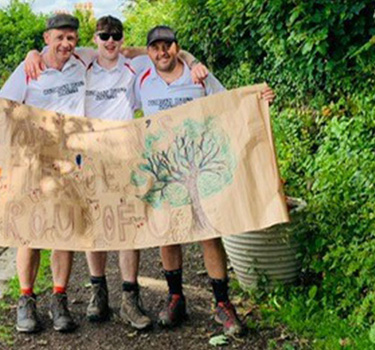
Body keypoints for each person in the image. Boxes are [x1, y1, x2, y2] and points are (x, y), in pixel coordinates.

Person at [23, 18, 211, 331]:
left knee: (128, 223)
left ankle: (129, 297)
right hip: (87, 154)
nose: (110, 41)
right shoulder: (82, 61)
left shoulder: (134, 66)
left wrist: (193, 60)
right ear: (95, 39)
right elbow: (53, 51)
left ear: (123, 40)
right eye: (104, 36)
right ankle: (99, 293)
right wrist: (32, 53)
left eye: (116, 36)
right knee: (93, 224)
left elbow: (168, 53)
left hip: (125, 153)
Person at [134, 25, 275, 336]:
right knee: (167, 233)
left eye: (168, 46)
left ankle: (222, 304)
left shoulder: (198, 75)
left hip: (199, 165)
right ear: (149, 53)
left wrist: (259, 100)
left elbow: (230, 104)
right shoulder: (141, 81)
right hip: (164, 169)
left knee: (208, 230)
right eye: (156, 47)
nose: (162, 52)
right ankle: (175, 298)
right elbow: (117, 111)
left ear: (177, 47)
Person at [0, 13, 95, 333]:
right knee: (29, 232)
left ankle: (59, 299)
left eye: (71, 38)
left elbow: (123, 52)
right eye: (60, 37)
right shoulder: (29, 68)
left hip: (72, 160)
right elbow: (3, 104)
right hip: (34, 161)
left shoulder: (83, 61)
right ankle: (26, 300)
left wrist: (186, 57)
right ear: (46, 39)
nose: (66, 44)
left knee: (64, 231)